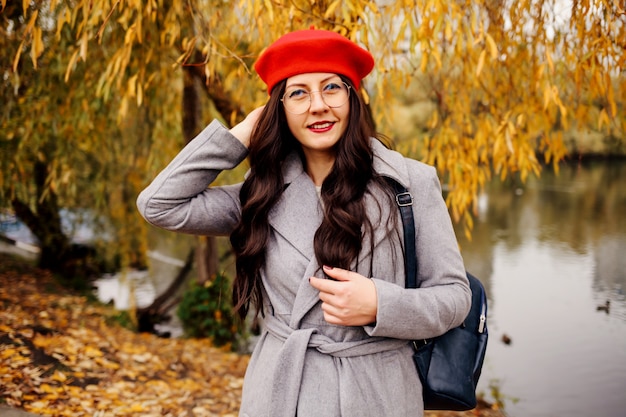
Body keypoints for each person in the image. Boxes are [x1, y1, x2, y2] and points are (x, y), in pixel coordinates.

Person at [137, 28, 471, 417]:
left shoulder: (410, 185)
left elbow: (454, 297)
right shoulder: (261, 193)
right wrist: (242, 134)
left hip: (378, 394)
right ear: (278, 108)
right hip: (281, 393)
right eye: (298, 93)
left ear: (353, 97)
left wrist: (381, 304)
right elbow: (159, 204)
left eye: (331, 88)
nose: (318, 106)